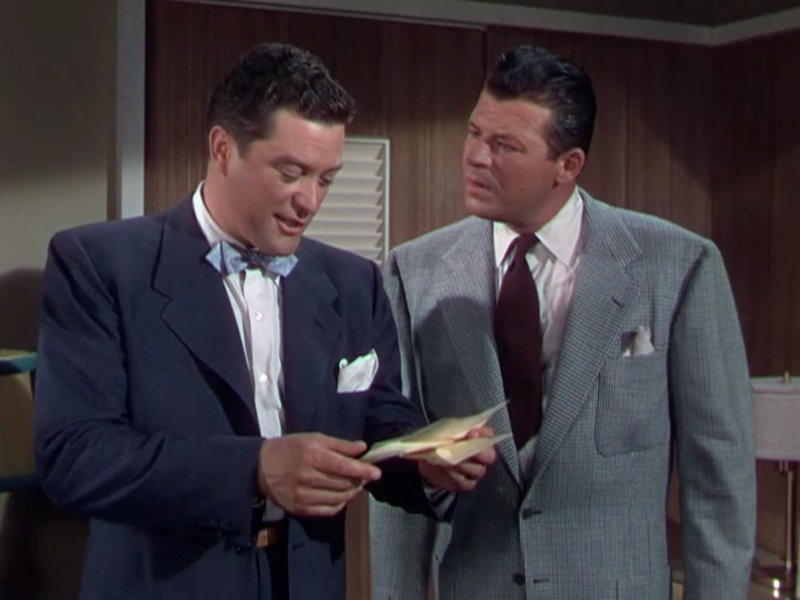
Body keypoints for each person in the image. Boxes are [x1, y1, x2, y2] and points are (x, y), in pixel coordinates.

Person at [33, 42, 494, 600]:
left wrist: (425, 462)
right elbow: (76, 458)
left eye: (326, 179)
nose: (310, 201)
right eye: (292, 173)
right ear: (223, 149)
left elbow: (376, 418)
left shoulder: (353, 282)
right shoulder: (101, 265)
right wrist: (253, 469)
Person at [370, 44, 755, 599]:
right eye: (475, 133)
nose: (477, 157)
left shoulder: (678, 266)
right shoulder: (414, 273)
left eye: (504, 145)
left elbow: (719, 480)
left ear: (567, 165)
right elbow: (398, 487)